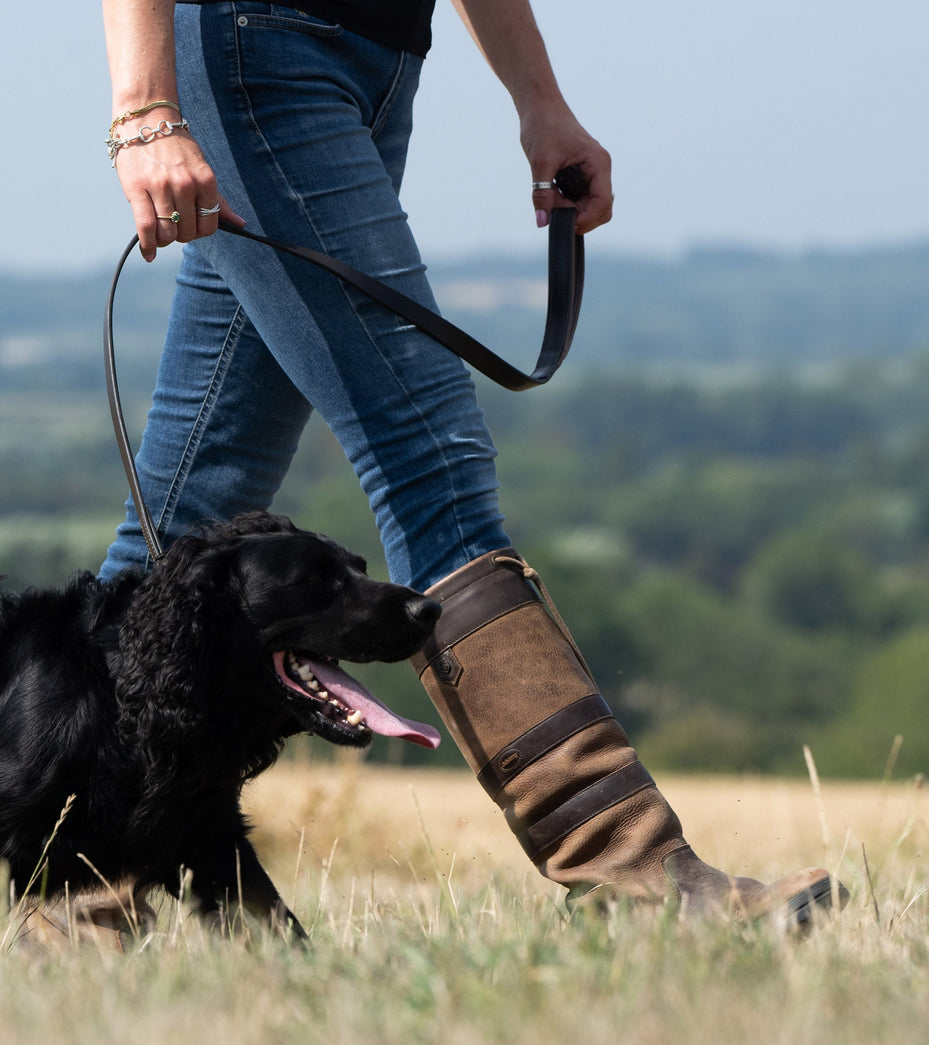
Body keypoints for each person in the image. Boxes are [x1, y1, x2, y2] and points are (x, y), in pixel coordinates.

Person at [99, 0, 837, 921]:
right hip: (262, 49)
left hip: (372, 62)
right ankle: (641, 876)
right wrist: (144, 111)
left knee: (188, 519)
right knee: (429, 461)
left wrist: (540, 100)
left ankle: (62, 885)